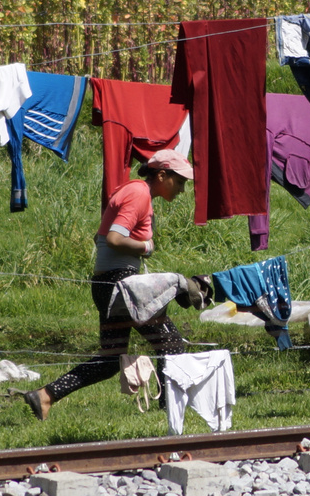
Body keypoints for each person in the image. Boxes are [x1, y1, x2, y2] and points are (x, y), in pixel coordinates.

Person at [25, 149, 193, 420]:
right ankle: (172, 415)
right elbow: (114, 238)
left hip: (107, 285)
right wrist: (145, 248)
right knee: (171, 344)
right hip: (123, 288)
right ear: (162, 175)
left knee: (109, 361)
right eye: (181, 182)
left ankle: (45, 395)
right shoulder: (139, 194)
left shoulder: (134, 192)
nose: (183, 190)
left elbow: (99, 236)